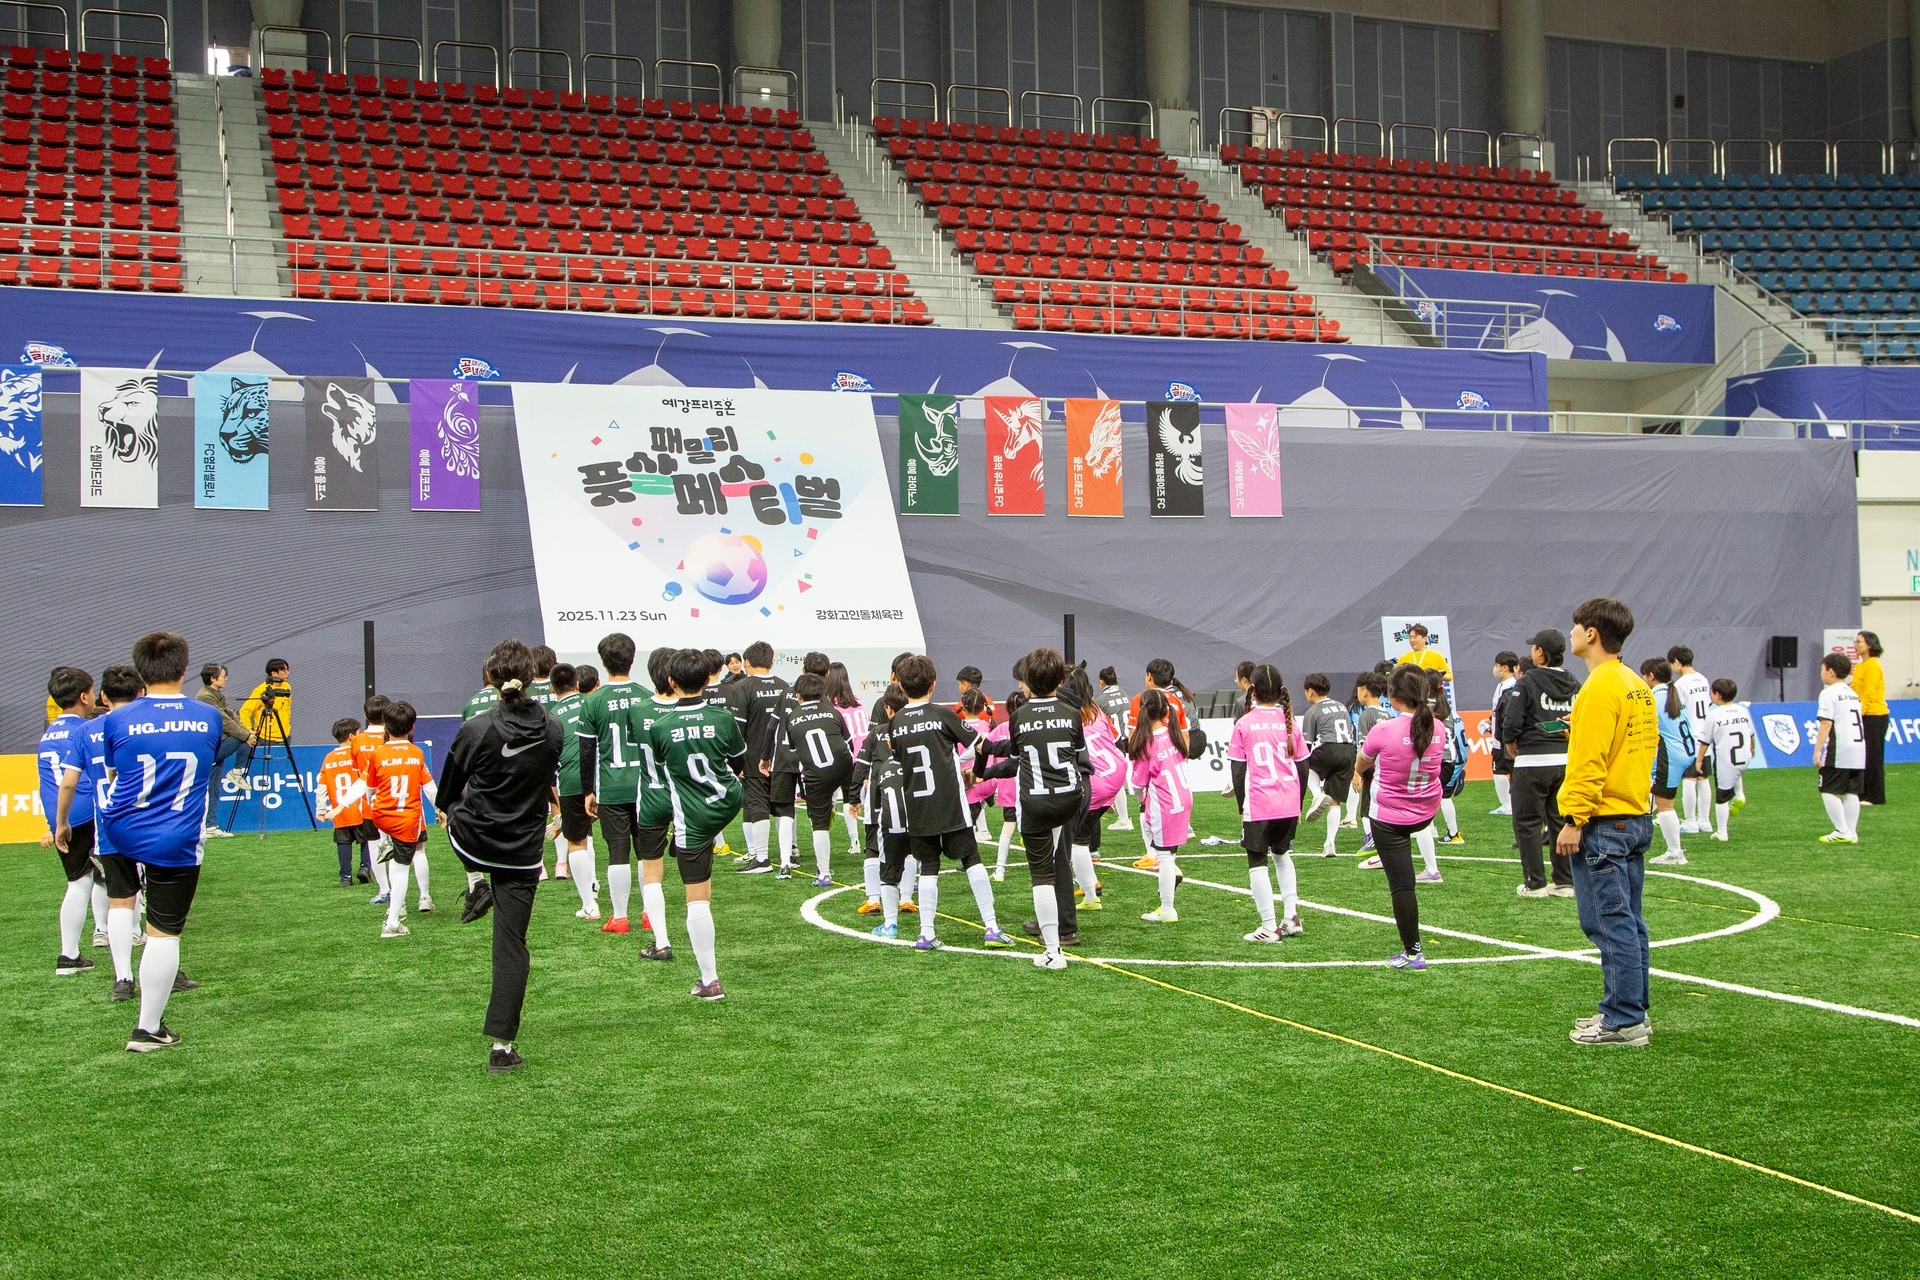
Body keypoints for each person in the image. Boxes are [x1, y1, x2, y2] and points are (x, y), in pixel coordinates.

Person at [436, 639, 565, 1073]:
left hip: (474, 840)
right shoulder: (553, 728)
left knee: (448, 812)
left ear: (490, 677)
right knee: (511, 947)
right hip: (523, 853)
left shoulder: (476, 727)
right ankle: (502, 1047)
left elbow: (446, 793)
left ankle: (474, 882)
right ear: (532, 677)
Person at [101, 632, 223, 1051]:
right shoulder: (207, 716)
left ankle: (121, 975)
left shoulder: (116, 719)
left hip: (118, 826)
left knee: (121, 901)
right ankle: (147, 1027)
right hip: (175, 836)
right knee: (164, 933)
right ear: (185, 669)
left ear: (140, 672)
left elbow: (118, 769)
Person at [1556, 597, 1658, 1046]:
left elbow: (1591, 762)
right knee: (1629, 920)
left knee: (1608, 921)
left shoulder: (1598, 685)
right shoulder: (1634, 682)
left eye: (1576, 626)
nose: (1572, 633)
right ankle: (1632, 1009)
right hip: (1633, 813)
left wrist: (1574, 818)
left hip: (1604, 820)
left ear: (1592, 633)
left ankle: (1623, 1018)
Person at [888, 655, 1013, 951]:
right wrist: (977, 771)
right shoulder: (943, 715)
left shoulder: (896, 723)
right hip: (950, 803)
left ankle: (926, 933)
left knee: (928, 866)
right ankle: (992, 927)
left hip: (917, 806)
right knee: (972, 859)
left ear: (902, 686)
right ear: (933, 685)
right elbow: (981, 745)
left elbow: (899, 761)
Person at [647, 647, 750, 1000]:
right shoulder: (723, 718)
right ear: (708, 678)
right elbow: (739, 759)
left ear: (672, 682)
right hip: (726, 800)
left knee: (697, 900)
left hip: (692, 817)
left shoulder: (659, 726)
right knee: (701, 840)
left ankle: (710, 980)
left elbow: (665, 766)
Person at [974, 649, 1087, 969]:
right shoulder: (1072, 712)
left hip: (1036, 802)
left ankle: (1054, 951)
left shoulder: (1021, 716)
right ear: (1060, 680)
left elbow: (1015, 753)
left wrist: (984, 761)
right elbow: (1077, 756)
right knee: (1059, 858)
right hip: (1070, 798)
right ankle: (1062, 934)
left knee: (1043, 876)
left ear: (1027, 681)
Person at [1352, 666, 1443, 969]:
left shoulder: (1384, 730)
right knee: (1405, 878)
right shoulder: (1439, 727)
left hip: (1390, 817)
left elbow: (1363, 762)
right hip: (1425, 811)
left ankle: (1413, 952)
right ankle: (1431, 866)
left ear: (1393, 697)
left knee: (1402, 886)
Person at [78, 664, 153, 1001]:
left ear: (103, 696)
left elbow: (71, 780)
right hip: (151, 825)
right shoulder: (151, 725)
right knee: (158, 900)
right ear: (142, 692)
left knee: (120, 900)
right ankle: (161, 967)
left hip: (109, 826)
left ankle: (123, 978)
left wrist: (61, 822)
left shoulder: (86, 730)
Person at [1228, 664, 1309, 943]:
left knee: (1257, 861)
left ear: (1252, 690)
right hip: (1287, 800)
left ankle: (1268, 926)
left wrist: (1241, 807)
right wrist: (1298, 803)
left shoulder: (1244, 723)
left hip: (1260, 802)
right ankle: (1291, 918)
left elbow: (1237, 771)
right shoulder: (1290, 723)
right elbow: (1303, 767)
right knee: (1282, 855)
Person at [1501, 630, 1579, 899]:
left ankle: (1535, 883)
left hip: (1533, 759)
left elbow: (1512, 719)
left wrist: (1509, 740)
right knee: (1559, 820)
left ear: (1539, 653)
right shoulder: (1574, 681)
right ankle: (1565, 882)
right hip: (1566, 760)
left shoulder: (1528, 680)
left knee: (1527, 822)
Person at [576, 633, 644, 925]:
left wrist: (587, 791)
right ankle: (648, 914)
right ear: (633, 658)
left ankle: (619, 917)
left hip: (611, 785)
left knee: (618, 852)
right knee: (646, 853)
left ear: (603, 662)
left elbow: (586, 750)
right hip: (646, 788)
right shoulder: (646, 695)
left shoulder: (594, 702)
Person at [40, 666, 100, 977]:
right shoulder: (86, 730)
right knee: (106, 879)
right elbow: (76, 780)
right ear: (84, 696)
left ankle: (69, 955)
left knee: (78, 882)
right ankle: (115, 933)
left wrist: (56, 821)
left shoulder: (48, 732)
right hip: (87, 812)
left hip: (61, 814)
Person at [778, 672, 856, 888]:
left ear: (798, 696)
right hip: (843, 767)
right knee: (853, 802)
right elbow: (848, 744)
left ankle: (824, 874)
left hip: (816, 775)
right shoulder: (833, 712)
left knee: (819, 825)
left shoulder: (792, 718)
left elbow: (795, 750)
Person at [368, 700, 438, 936]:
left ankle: (396, 909)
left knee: (394, 861)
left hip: (384, 815)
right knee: (410, 859)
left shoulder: (378, 754)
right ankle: (400, 916)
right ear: (413, 727)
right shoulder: (416, 753)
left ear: (385, 726)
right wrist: (441, 809)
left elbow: (370, 789)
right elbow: (429, 787)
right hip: (408, 818)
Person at [849, 686, 915, 934]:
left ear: (888, 709)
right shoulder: (914, 730)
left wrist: (854, 796)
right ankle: (907, 898)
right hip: (910, 799)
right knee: (910, 848)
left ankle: (874, 899)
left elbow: (861, 765)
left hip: (879, 800)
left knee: (873, 847)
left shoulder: (876, 733)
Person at [1129, 687, 1194, 923]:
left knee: (1163, 856)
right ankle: (1168, 888)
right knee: (1168, 853)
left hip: (1166, 803)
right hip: (1183, 798)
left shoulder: (1148, 743)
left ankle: (1167, 909)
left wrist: (1142, 801)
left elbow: (1136, 783)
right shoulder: (1173, 734)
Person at [725, 640, 790, 875]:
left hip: (753, 758)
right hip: (783, 757)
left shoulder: (742, 688)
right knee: (784, 806)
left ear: (747, 663)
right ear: (772, 663)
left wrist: (736, 763)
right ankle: (787, 856)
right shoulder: (785, 687)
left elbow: (736, 730)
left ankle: (762, 858)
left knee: (758, 805)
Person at [1641, 657, 1693, 867]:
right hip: (1684, 749)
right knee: (1656, 798)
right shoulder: (1674, 692)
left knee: (1664, 804)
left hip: (1669, 754)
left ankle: (1675, 852)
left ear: (1651, 676)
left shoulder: (1653, 698)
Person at [1297, 674, 1355, 855]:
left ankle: (1316, 795)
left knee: (1309, 768)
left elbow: (1305, 745)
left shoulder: (1313, 711)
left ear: (1310, 691)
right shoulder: (1342, 706)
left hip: (1328, 748)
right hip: (1348, 752)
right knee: (1335, 800)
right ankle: (1330, 843)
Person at [1814, 651, 1867, 844]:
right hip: (1858, 749)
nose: (1821, 673)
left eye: (1822, 669)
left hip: (1840, 749)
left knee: (1828, 789)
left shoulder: (1828, 693)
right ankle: (1851, 832)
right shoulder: (1852, 693)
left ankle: (1841, 830)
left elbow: (1826, 723)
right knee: (1851, 791)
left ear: (1831, 672)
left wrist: (1818, 750)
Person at [194, 662, 253, 837]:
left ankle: (211, 826)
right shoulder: (205, 696)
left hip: (217, 745)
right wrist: (246, 735)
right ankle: (236, 772)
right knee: (242, 739)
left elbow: (231, 716)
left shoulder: (217, 695)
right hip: (209, 747)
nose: (226, 679)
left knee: (214, 788)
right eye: (223, 676)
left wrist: (247, 732)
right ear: (212, 678)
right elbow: (224, 721)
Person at [1695, 679, 1756, 842]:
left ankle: (1722, 831)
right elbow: (1751, 734)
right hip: (1744, 757)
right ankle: (1740, 794)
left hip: (1726, 759)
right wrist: (1752, 749)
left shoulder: (1713, 715)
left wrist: (1699, 760)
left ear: (1717, 695)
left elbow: (1705, 741)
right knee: (1736, 773)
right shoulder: (1742, 710)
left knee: (1721, 796)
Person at [318, 717, 374, 887]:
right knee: (367, 839)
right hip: (359, 806)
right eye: (358, 733)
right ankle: (365, 867)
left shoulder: (329, 758)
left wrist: (320, 808)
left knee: (343, 842)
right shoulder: (357, 754)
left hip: (339, 810)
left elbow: (322, 786)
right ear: (351, 736)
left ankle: (345, 877)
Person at [348, 695, 394, 904]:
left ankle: (384, 890)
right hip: (394, 803)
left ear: (366, 716)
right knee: (398, 850)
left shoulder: (357, 741)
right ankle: (412, 893)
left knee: (375, 847)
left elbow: (359, 774)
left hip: (370, 804)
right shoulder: (393, 737)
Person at [1667, 647, 1712, 833]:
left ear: (1676, 662)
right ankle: (1705, 821)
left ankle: (1691, 822)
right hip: (1705, 737)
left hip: (1690, 737)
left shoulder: (1680, 684)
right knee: (1703, 778)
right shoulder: (1703, 679)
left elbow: (1677, 712)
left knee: (1689, 779)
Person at [826, 661, 869, 849]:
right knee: (858, 798)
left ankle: (854, 840)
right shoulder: (858, 701)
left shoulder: (831, 706)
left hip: (847, 756)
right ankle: (860, 841)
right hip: (865, 756)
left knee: (844, 796)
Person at [1348, 671, 1391, 852]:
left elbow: (1363, 746)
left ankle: (1372, 838)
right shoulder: (1387, 714)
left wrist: (1357, 772)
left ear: (1364, 692)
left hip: (1371, 766)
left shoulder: (1366, 715)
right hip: (1386, 766)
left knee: (1366, 807)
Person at [1094, 667, 1134, 831]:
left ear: (1101, 682)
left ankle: (1124, 819)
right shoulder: (1125, 695)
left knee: (1114, 778)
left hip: (1114, 741)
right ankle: (1116, 810)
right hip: (1130, 739)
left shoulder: (1101, 700)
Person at [1854, 630, 1889, 806]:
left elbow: (1868, 695)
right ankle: (1863, 792)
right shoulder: (1860, 666)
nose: (1856, 645)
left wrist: (1859, 715)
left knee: (1873, 756)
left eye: (1859, 642)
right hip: (1864, 715)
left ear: (1870, 645)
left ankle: (1875, 796)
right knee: (1863, 756)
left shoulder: (1873, 666)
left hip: (1875, 716)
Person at [1489, 651, 1520, 815]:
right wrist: (1489, 721)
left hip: (1502, 738)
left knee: (1500, 769)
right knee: (1499, 768)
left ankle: (1508, 804)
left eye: (1497, 666)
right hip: (1498, 735)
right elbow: (1497, 711)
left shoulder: (1510, 687)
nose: (1495, 669)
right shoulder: (1502, 686)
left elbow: (1506, 713)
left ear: (1505, 667)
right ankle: (1507, 804)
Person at [238, 657, 293, 751]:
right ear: (274, 673)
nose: (287, 673)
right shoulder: (261, 690)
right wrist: (250, 732)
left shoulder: (286, 687)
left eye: (287, 669)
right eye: (284, 670)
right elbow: (244, 711)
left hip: (284, 737)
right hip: (265, 739)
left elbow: (287, 709)